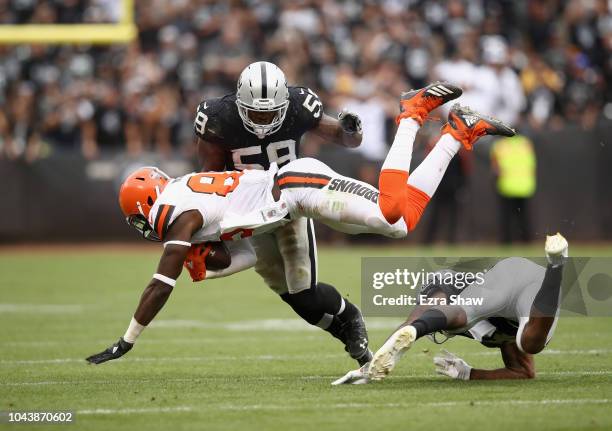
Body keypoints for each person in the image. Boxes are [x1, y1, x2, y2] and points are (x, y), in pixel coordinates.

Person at [85, 81, 516, 365]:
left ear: (147, 203)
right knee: (400, 224)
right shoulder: (183, 199)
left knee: (389, 212)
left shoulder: (179, 213)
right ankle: (457, 132)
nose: (143, 226)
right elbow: (235, 251)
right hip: (280, 209)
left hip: (295, 185)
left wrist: (128, 340)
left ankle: (411, 114)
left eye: (138, 217)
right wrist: (209, 261)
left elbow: (162, 281)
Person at [193, 61, 372, 365]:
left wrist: (351, 127)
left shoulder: (299, 105)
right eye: (256, 112)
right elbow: (208, 175)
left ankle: (351, 318)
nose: (263, 119)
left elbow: (347, 139)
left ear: (284, 102)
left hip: (290, 202)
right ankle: (344, 328)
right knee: (292, 296)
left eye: (270, 112)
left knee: (303, 287)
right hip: (250, 212)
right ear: (239, 102)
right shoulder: (217, 118)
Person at [332, 233, 568, 384]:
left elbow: (415, 320)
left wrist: (371, 369)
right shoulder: (505, 331)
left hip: (508, 286)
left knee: (464, 318)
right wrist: (469, 373)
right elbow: (523, 372)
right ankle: (555, 265)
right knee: (527, 341)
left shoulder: (455, 290)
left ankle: (557, 266)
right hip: (524, 286)